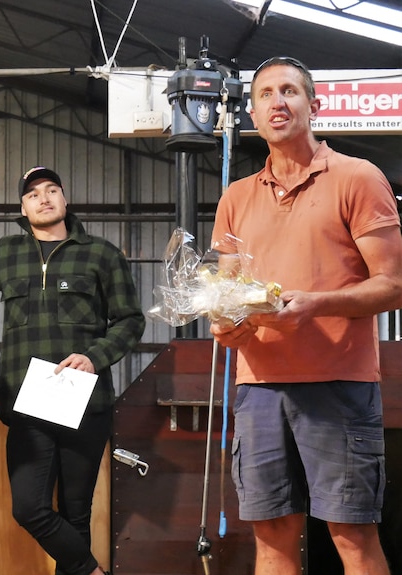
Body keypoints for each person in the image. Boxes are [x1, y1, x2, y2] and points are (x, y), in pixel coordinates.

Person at [210, 57, 402, 575]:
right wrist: (225, 324)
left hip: (338, 382)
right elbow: (229, 293)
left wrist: (317, 304)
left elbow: (393, 285)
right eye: (266, 94)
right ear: (252, 112)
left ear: (313, 105)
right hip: (259, 388)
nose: (278, 102)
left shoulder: (358, 178)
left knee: (352, 534)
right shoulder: (236, 197)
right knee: (272, 537)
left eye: (290, 91)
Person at [0, 167, 145, 575]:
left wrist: (94, 357)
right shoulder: (6, 253)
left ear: (65, 200)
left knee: (76, 513)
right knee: (29, 507)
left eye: (52, 190)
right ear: (23, 207)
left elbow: (130, 321)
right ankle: (92, 571)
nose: (44, 198)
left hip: (85, 400)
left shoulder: (101, 254)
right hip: (26, 402)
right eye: (33, 194)